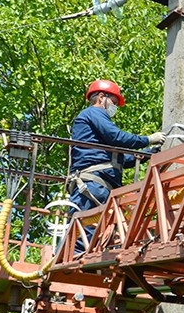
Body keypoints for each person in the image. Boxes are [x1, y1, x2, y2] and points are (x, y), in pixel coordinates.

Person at [67, 79, 165, 248]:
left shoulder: (96, 129)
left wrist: (147, 154)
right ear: (101, 97)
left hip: (99, 186)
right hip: (91, 184)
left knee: (95, 232)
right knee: (84, 233)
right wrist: (147, 140)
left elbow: (121, 159)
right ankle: (70, 263)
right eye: (113, 101)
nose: (115, 107)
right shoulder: (93, 113)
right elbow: (117, 137)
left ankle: (77, 262)